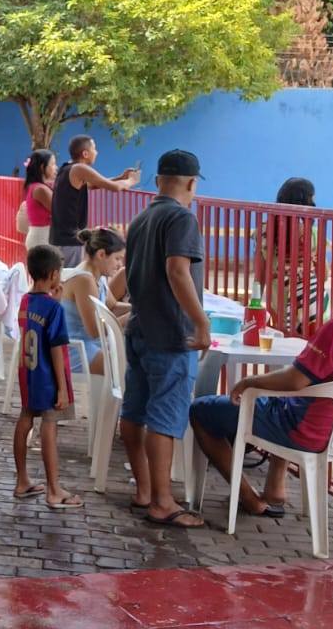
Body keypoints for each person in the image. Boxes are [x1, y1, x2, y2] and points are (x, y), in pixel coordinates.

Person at [189, 254, 333, 518]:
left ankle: (249, 499)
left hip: (304, 430)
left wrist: (249, 382)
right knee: (287, 400)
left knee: (201, 410)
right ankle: (275, 490)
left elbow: (295, 380)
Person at [120, 150, 210, 528]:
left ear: (157, 181)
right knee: (164, 417)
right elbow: (177, 271)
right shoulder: (181, 218)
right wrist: (200, 322)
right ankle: (162, 502)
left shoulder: (141, 219)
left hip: (140, 328)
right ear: (191, 183)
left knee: (135, 411)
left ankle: (145, 491)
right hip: (171, 334)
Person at [12, 245, 81, 508]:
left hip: (28, 372)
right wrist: (62, 388)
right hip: (49, 376)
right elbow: (55, 348)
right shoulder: (54, 309)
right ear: (54, 274)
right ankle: (54, 490)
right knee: (49, 427)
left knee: (25, 418)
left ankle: (22, 480)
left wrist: (55, 302)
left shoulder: (25, 301)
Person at [49, 135, 140, 268]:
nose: (96, 153)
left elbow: (93, 184)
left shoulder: (67, 168)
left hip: (60, 236)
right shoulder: (79, 169)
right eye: (94, 149)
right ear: (85, 154)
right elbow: (114, 187)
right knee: (70, 277)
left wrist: (121, 177)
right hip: (70, 239)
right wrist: (132, 180)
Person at [253, 177, 320, 336]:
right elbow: (323, 274)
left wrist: (255, 303)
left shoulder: (264, 232)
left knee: (279, 340)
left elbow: (259, 274)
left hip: (277, 301)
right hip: (307, 303)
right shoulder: (312, 234)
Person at [59, 227, 128, 376]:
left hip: (92, 344)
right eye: (117, 259)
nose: (119, 265)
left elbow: (113, 307)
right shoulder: (84, 280)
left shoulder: (98, 276)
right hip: (77, 349)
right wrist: (129, 318)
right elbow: (95, 331)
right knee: (129, 367)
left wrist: (138, 309)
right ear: (101, 254)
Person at [21, 149, 57, 251]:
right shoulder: (40, 189)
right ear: (42, 167)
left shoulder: (36, 187)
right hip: (41, 238)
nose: (56, 167)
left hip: (41, 237)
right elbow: (59, 211)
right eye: (53, 164)